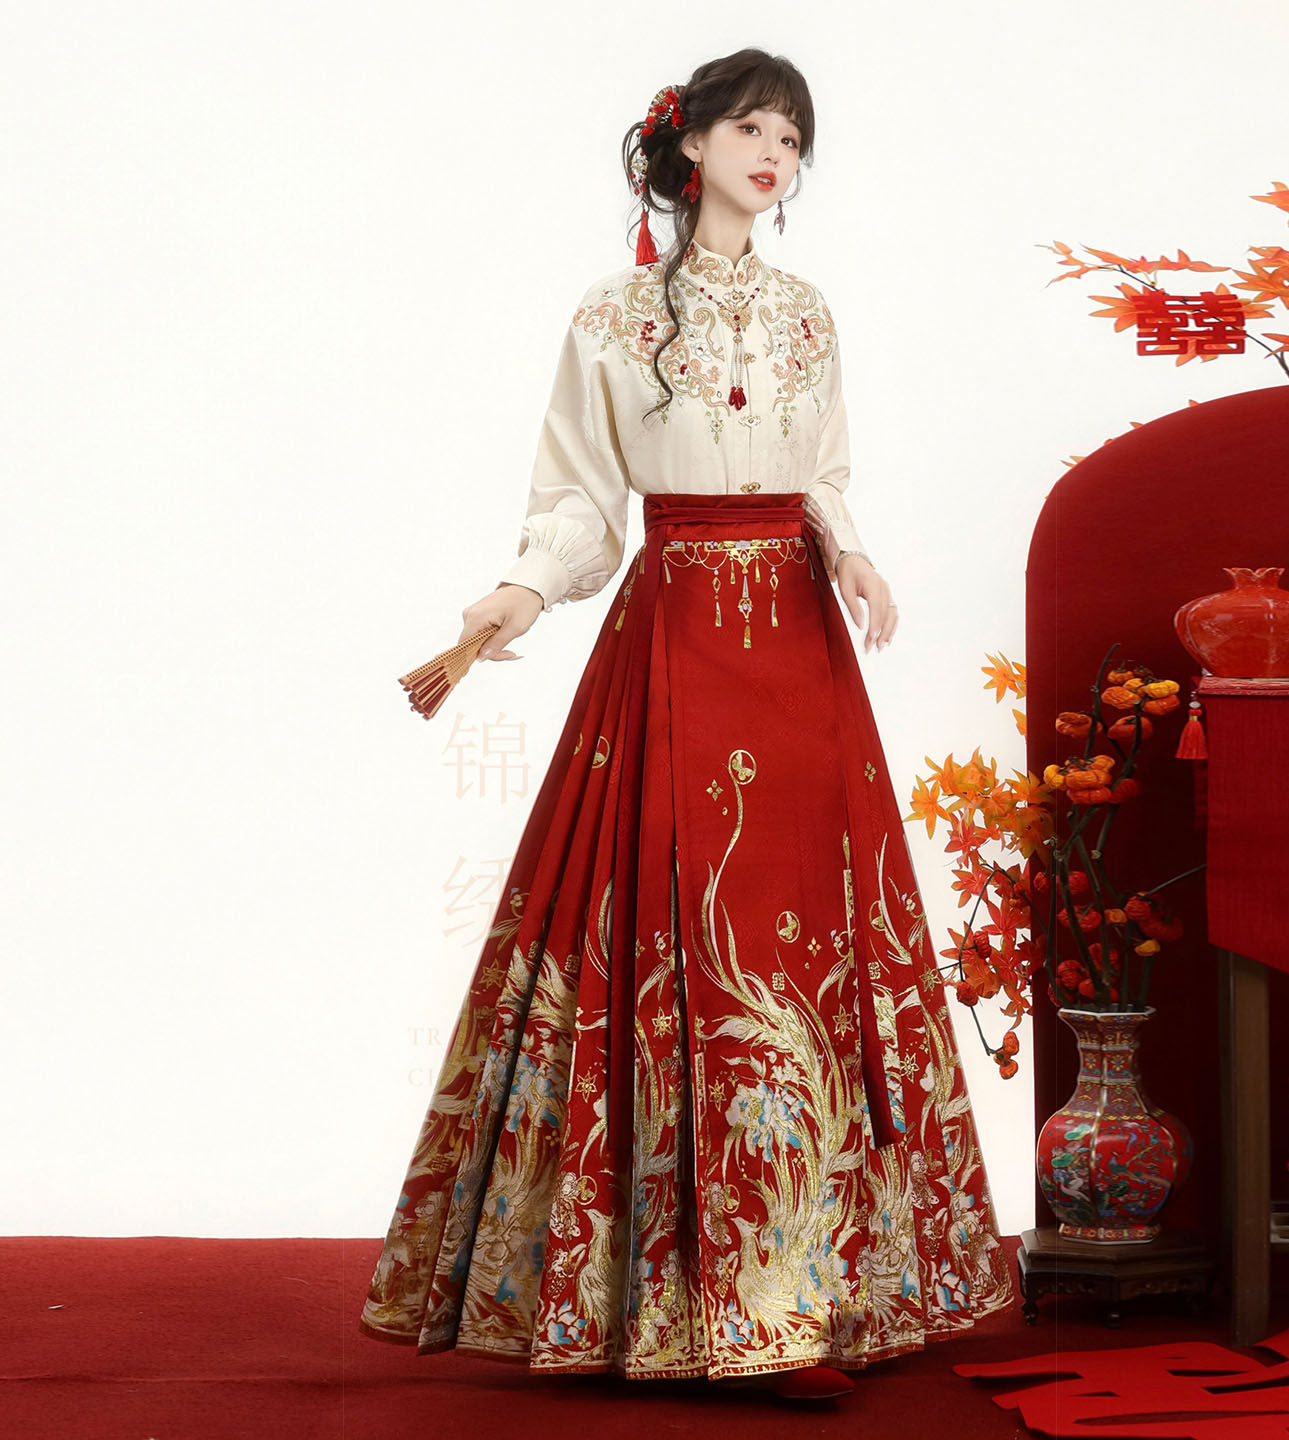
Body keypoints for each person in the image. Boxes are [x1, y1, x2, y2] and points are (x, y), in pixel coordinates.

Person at [359, 47, 1014, 1396]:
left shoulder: (809, 313)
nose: (776, 154)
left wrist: (852, 553)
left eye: (793, 137)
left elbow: (823, 472)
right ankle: (676, 1301)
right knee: (677, 931)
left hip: (798, 638)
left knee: (808, 932)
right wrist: (520, 590)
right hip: (677, 634)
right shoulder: (613, 316)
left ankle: (810, 1295)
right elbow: (580, 501)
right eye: (753, 127)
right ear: (691, 143)